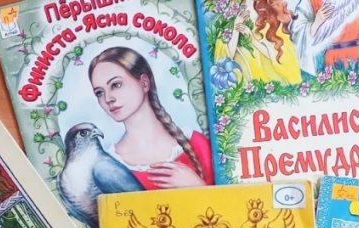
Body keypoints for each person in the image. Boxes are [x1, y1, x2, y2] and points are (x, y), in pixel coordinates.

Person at [88, 47, 213, 189]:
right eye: (99, 93)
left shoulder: (196, 144)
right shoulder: (108, 167)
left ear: (144, 83)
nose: (108, 98)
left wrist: (196, 186)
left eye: (116, 85)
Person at [217, 0, 302, 84]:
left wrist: (252, 39)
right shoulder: (230, 11)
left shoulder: (269, 11)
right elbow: (224, 58)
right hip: (240, 76)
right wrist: (236, 29)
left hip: (265, 76)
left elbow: (280, 56)